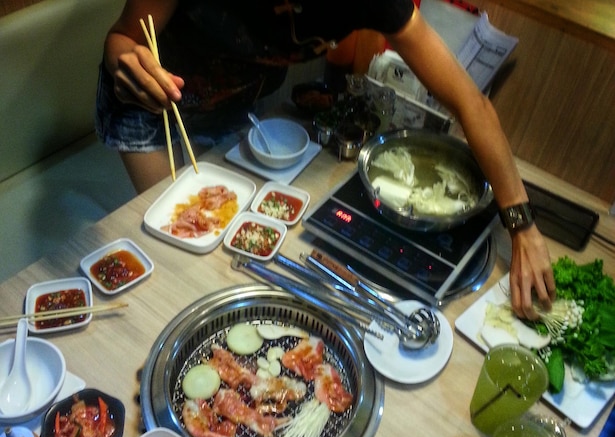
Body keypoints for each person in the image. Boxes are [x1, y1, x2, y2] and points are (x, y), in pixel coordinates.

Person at [96, 0, 555, 320]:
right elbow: (121, 39)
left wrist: (522, 225)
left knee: (229, 257)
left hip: (243, 111)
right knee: (180, 253)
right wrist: (124, 64)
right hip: (150, 111)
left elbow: (470, 103)